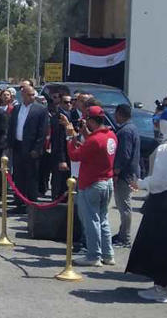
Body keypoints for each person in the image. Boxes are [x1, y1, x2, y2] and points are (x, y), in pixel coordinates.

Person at [125, 107, 167, 303]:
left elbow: (161, 181)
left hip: (163, 202)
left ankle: (162, 288)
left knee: (159, 244)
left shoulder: (165, 148)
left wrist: (141, 184)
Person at [65, 106, 117, 267]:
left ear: (92, 121)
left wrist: (70, 138)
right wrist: (85, 133)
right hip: (106, 181)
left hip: (92, 182)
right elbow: (93, 145)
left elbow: (75, 155)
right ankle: (108, 254)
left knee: (91, 220)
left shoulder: (95, 140)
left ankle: (94, 255)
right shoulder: (110, 136)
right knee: (103, 219)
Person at [8, 85, 50, 214]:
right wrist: (10, 144)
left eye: (33, 95)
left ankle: (31, 204)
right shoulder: (16, 109)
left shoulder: (40, 110)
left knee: (31, 177)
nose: (32, 97)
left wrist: (37, 149)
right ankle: (19, 203)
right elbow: (12, 127)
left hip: (32, 149)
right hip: (18, 146)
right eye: (29, 95)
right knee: (19, 176)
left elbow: (42, 132)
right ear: (23, 95)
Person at [112, 103, 142, 248]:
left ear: (119, 114)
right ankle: (122, 234)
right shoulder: (132, 128)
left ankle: (125, 238)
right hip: (130, 173)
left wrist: (116, 171)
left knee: (124, 206)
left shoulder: (125, 131)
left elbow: (124, 154)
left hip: (125, 175)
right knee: (123, 205)